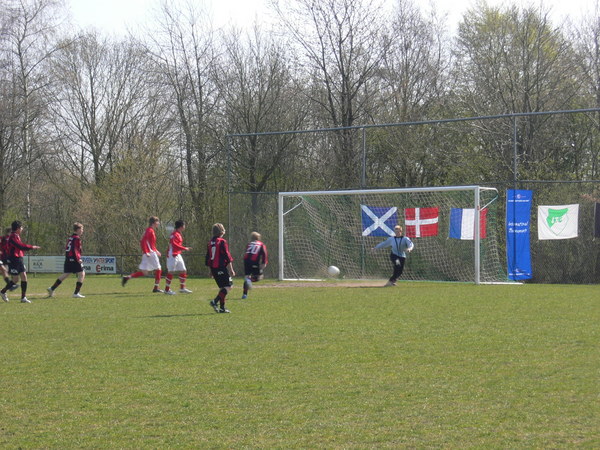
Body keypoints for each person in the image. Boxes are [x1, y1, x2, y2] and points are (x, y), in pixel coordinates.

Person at [0, 221, 41, 303]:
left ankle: (23, 298)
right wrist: (32, 247)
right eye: (21, 227)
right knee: (15, 279)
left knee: (24, 276)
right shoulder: (12, 237)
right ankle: (3, 291)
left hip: (19, 258)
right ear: (18, 228)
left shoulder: (16, 235)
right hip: (14, 260)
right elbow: (20, 246)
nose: (22, 229)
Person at [121, 216, 163, 293]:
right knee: (159, 269)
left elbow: (150, 244)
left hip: (149, 253)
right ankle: (156, 288)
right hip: (150, 254)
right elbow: (143, 241)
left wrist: (156, 251)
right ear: (154, 223)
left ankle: (127, 278)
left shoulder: (149, 230)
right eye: (157, 222)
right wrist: (146, 251)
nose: (158, 223)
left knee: (144, 272)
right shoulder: (150, 230)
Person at [47, 222, 86, 298]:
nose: (82, 231)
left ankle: (52, 288)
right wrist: (78, 259)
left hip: (68, 258)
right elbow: (74, 250)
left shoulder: (70, 238)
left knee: (66, 274)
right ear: (78, 229)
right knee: (82, 274)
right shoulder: (76, 238)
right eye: (81, 229)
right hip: (74, 258)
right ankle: (76, 293)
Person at [205, 223, 235, 313]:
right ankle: (215, 301)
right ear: (222, 231)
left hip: (214, 268)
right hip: (221, 267)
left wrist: (210, 270)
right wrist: (231, 269)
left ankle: (222, 308)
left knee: (222, 288)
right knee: (229, 286)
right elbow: (227, 256)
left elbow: (208, 257)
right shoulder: (222, 241)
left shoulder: (210, 242)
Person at [164, 219, 192, 295]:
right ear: (181, 226)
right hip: (172, 254)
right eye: (184, 225)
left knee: (183, 270)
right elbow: (174, 245)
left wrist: (182, 249)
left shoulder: (178, 233)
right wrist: (184, 248)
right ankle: (167, 290)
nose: (185, 226)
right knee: (171, 272)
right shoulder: (174, 234)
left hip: (177, 254)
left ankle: (182, 288)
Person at [241, 231, 268, 299]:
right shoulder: (261, 244)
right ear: (258, 238)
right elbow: (264, 253)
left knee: (247, 276)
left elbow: (247, 252)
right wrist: (264, 262)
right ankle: (250, 280)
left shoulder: (249, 244)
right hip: (254, 261)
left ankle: (244, 295)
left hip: (246, 260)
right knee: (259, 276)